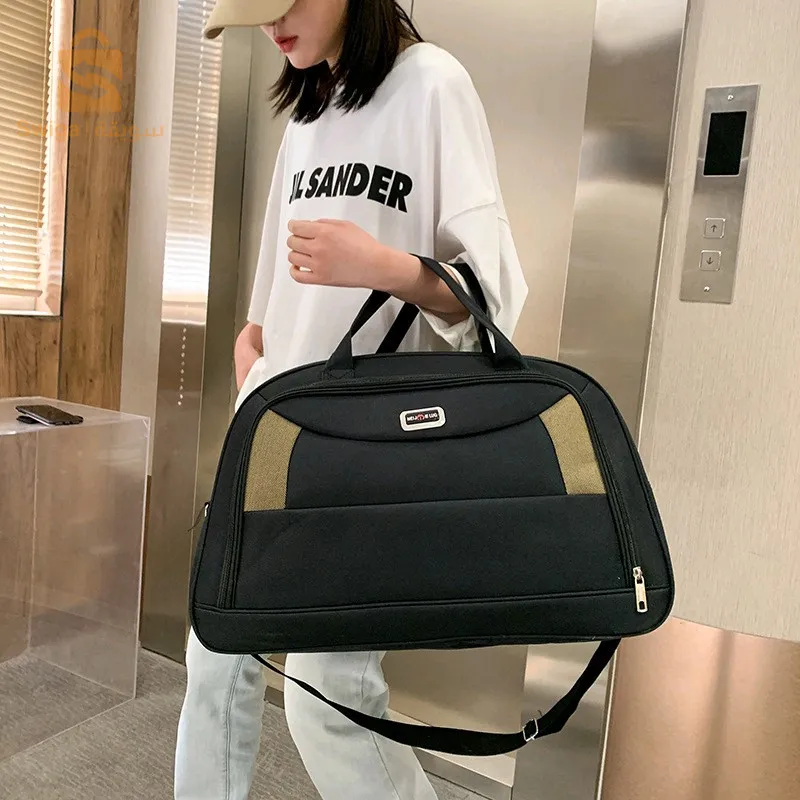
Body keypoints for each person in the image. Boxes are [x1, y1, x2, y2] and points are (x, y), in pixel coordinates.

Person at [175, 1, 528, 798]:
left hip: (371, 446)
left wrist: (386, 266)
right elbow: (271, 300)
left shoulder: (433, 85)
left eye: (283, 3)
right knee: (216, 659)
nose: (271, 26)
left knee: (328, 698)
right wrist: (252, 353)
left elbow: (493, 302)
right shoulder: (309, 110)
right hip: (276, 428)